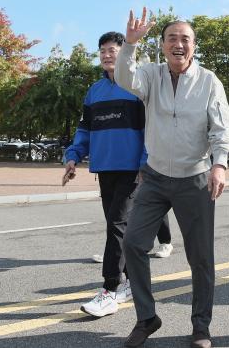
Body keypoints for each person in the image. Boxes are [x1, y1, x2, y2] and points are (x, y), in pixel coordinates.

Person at [116, 9, 229, 348]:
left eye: (185, 39)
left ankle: (201, 326)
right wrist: (129, 45)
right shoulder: (150, 74)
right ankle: (147, 317)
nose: (178, 44)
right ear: (163, 44)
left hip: (195, 178)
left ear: (194, 45)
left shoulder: (209, 81)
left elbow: (221, 128)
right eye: (171, 38)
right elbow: (125, 78)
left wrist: (220, 164)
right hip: (153, 178)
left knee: (200, 257)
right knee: (134, 244)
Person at [64, 31, 147, 318]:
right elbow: (84, 129)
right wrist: (73, 156)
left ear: (125, 54)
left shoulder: (138, 87)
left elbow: (151, 129)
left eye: (112, 50)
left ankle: (110, 289)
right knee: (119, 227)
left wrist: (145, 163)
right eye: (102, 51)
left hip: (133, 169)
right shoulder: (94, 91)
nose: (107, 55)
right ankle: (129, 283)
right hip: (105, 168)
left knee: (117, 225)